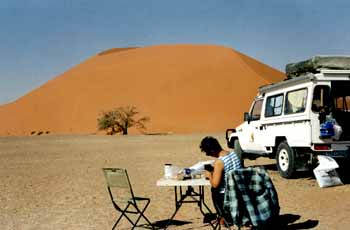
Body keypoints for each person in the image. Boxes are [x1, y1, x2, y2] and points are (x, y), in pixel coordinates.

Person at [200, 136, 242, 226]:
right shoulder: (234, 155)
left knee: (214, 190)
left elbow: (215, 184)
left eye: (208, 153)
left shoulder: (220, 162)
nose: (208, 155)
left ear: (212, 151)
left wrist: (209, 175)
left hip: (226, 194)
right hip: (238, 191)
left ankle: (223, 217)